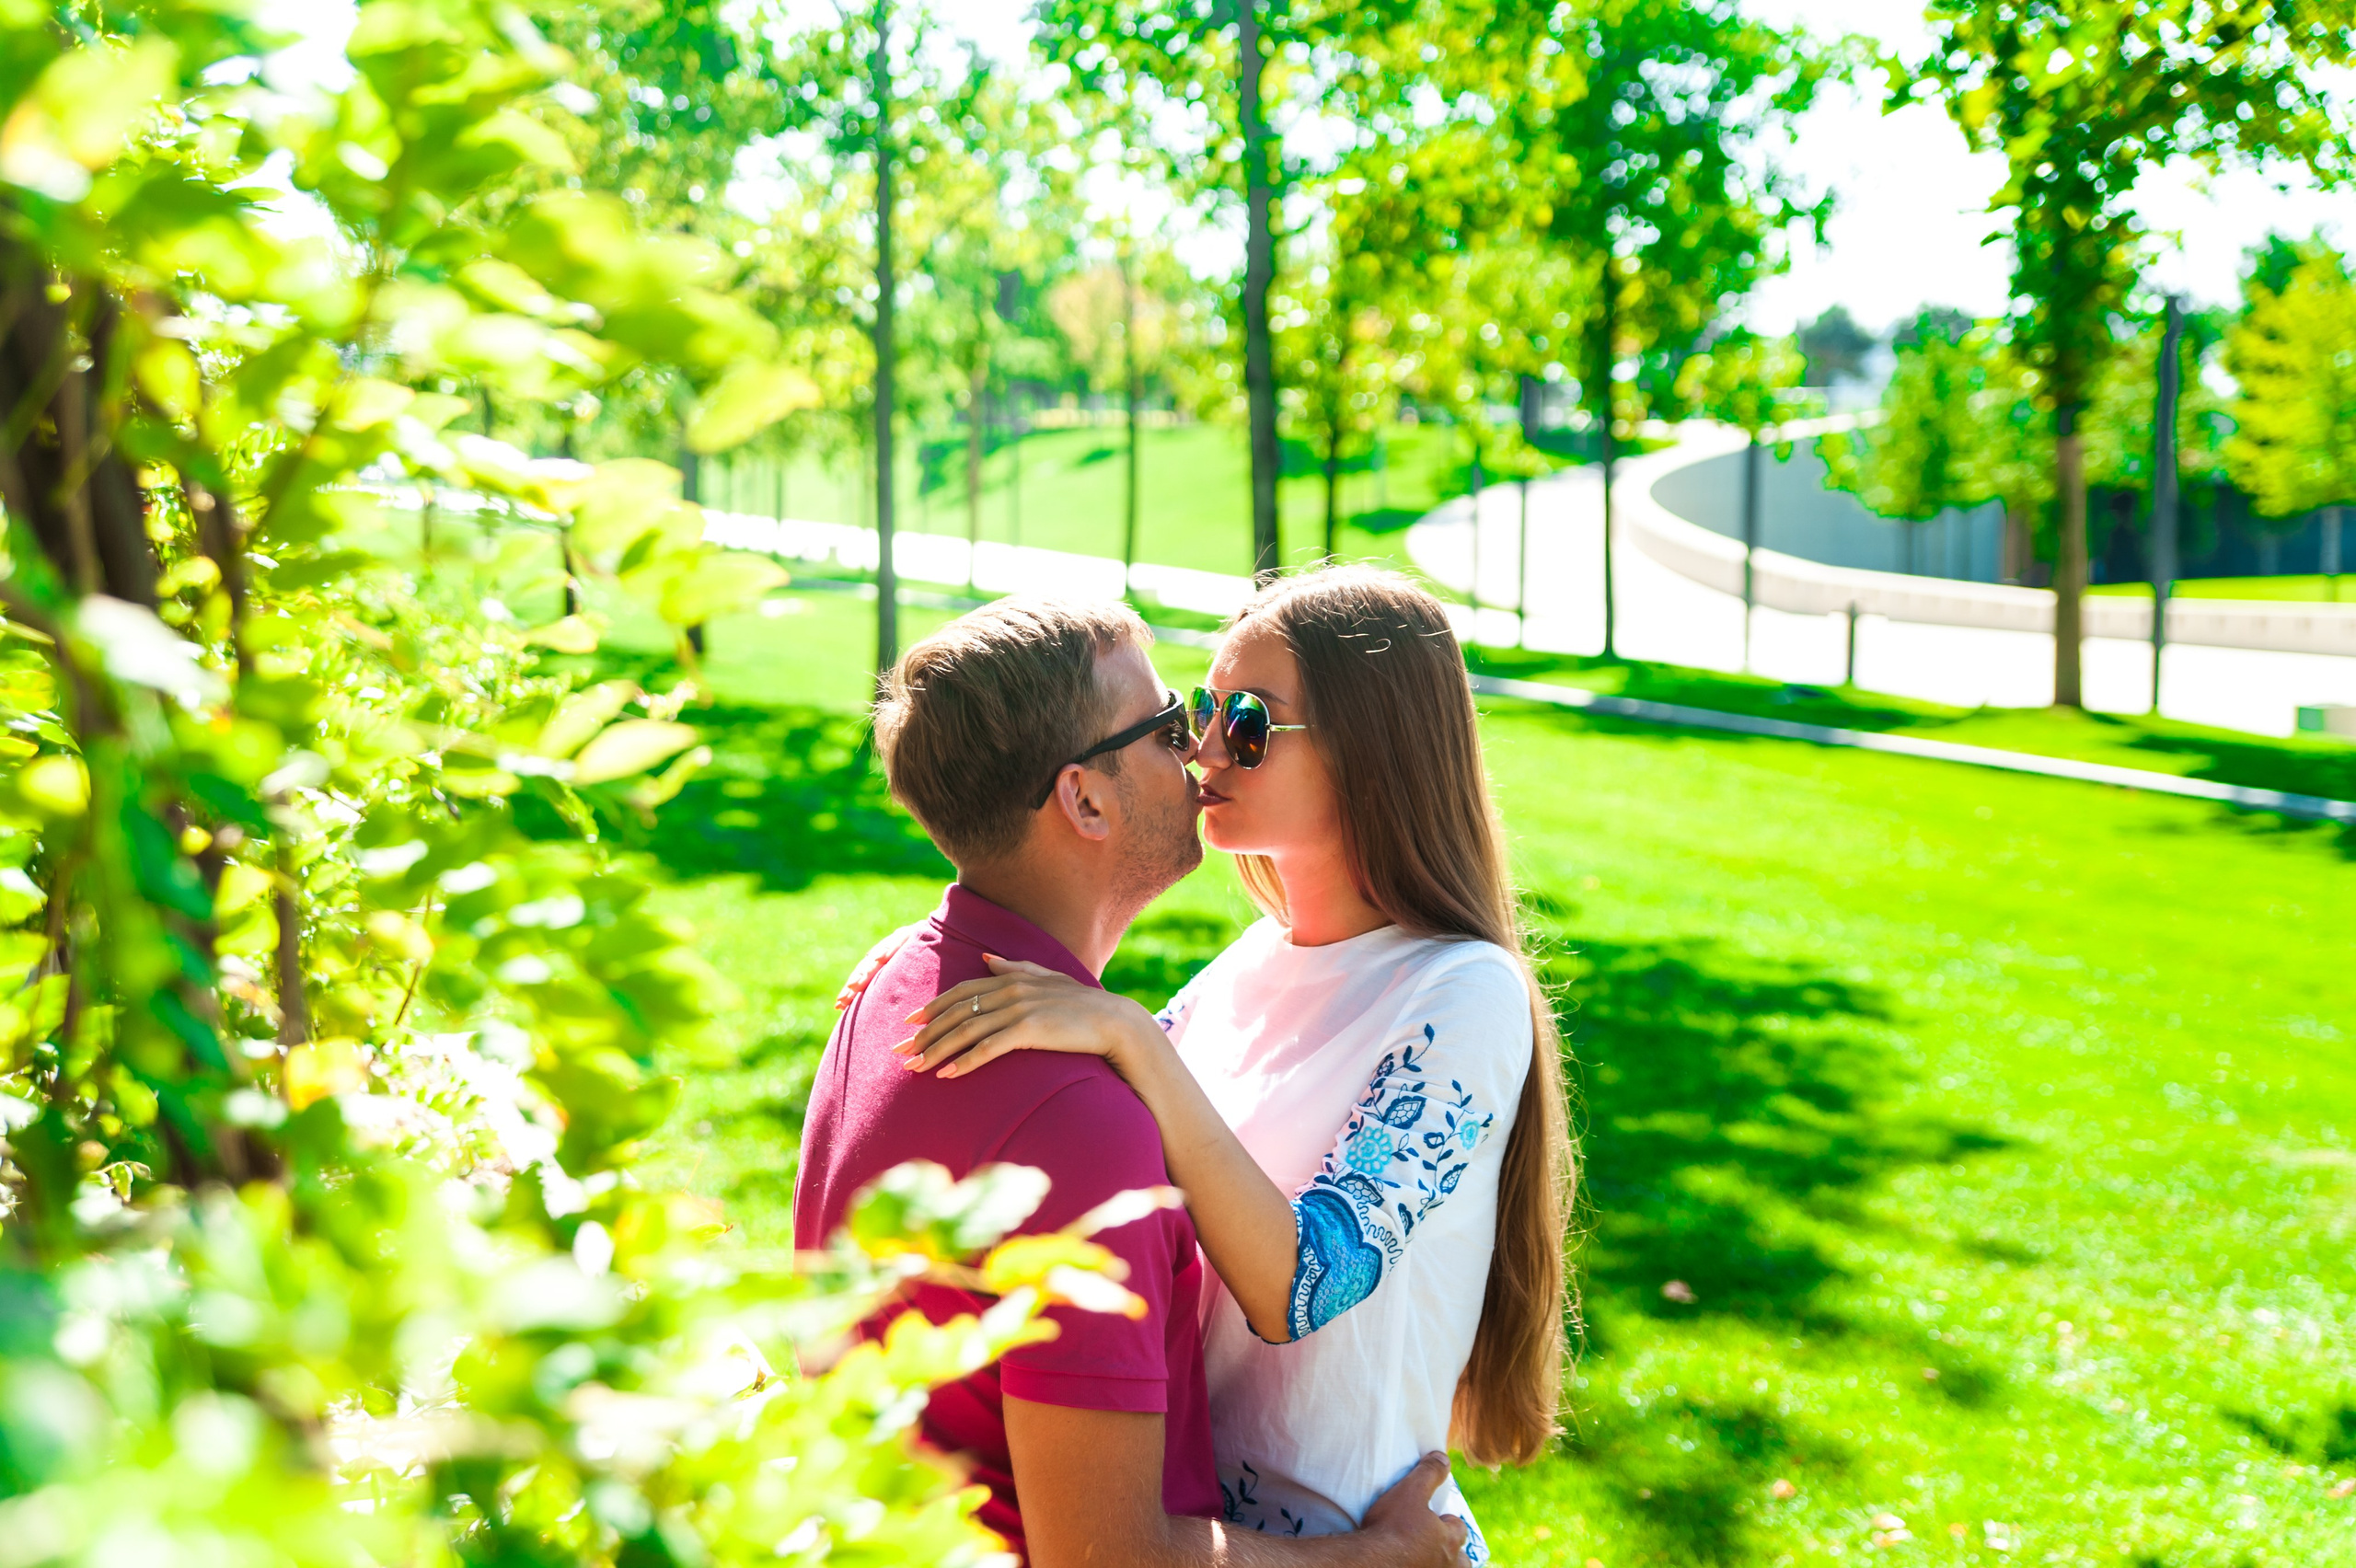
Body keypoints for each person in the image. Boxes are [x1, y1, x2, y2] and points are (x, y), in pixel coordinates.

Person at [896, 567, 1577, 1563]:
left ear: (1373, 750)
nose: (1203, 751)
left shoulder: (1463, 993)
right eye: (1203, 710)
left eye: (1248, 722)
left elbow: (1303, 1282)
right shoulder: (1252, 962)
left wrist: (1130, 1035)